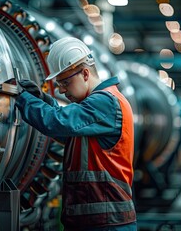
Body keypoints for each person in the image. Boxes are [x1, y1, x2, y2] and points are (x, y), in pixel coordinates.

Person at [15, 37, 137, 231]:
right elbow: (67, 130)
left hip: (106, 223)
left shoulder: (106, 102)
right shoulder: (97, 106)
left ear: (86, 74)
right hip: (95, 221)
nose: (62, 91)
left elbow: (58, 122)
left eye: (65, 82)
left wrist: (21, 98)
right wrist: (43, 99)